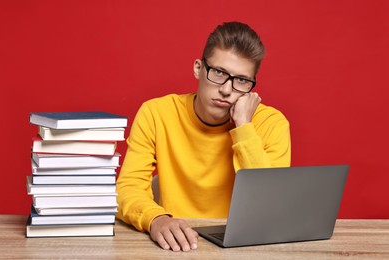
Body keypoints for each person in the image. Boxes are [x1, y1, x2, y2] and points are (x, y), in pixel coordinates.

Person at [116, 21, 291, 252]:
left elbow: (272, 205)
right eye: (219, 72)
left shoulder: (271, 123)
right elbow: (128, 188)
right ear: (198, 68)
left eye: (241, 80)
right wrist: (156, 219)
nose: (227, 90)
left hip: (244, 247)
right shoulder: (156, 113)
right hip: (176, 245)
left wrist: (243, 127)